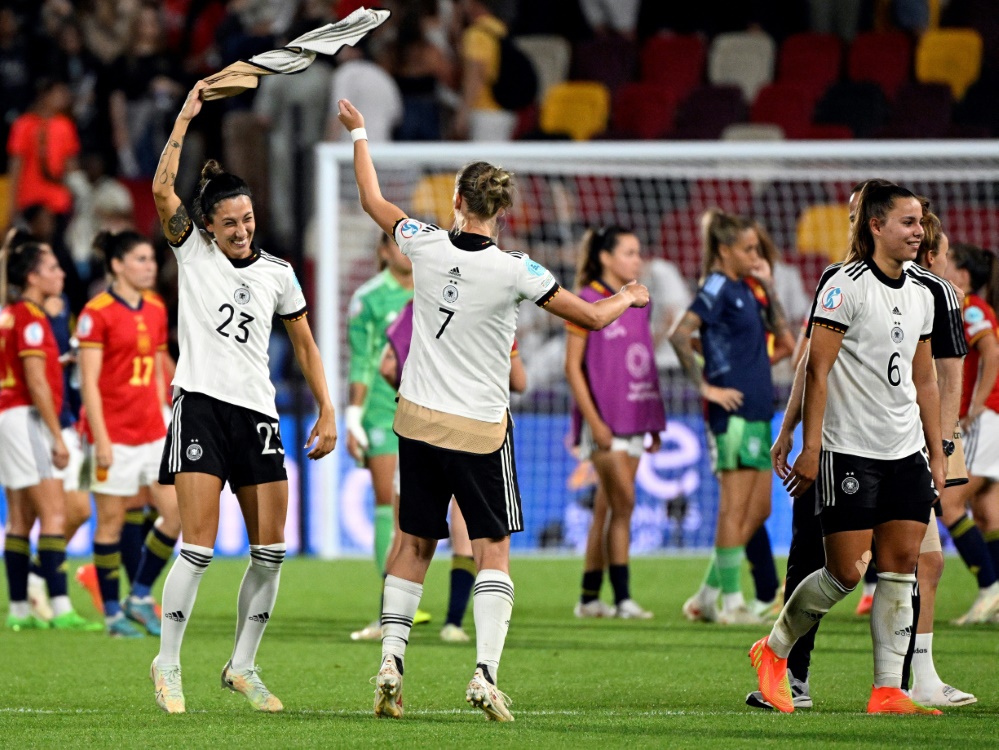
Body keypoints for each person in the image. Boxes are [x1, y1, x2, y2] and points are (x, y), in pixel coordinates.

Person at [337, 97, 649, 722]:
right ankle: (484, 672)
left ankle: (392, 661)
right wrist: (627, 296)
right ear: (502, 211)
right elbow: (587, 317)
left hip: (417, 421)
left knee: (412, 543)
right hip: (480, 430)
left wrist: (362, 131)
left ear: (456, 201)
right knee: (492, 549)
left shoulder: (422, 244)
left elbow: (373, 200)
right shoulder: (517, 271)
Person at [148, 80, 336, 714]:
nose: (242, 230)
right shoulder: (192, 251)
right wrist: (185, 116)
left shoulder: (279, 274)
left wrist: (327, 409)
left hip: (258, 413)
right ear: (207, 226)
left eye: (248, 219)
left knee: (271, 551)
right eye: (229, 222)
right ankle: (167, 663)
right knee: (198, 546)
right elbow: (159, 190)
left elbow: (306, 346)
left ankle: (242, 667)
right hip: (200, 404)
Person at [751, 185, 975, 711]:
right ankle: (774, 650)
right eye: (907, 222)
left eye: (920, 222)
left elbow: (925, 379)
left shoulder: (925, 290)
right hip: (848, 449)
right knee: (846, 572)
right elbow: (816, 367)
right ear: (875, 226)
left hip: (905, 453)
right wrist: (809, 445)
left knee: (900, 569)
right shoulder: (841, 285)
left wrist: (937, 455)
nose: (920, 231)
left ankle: (887, 690)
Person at [381, 298, 529, 642]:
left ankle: (389, 641)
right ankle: (455, 625)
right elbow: (519, 381)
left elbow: (388, 367)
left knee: (409, 541)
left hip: (418, 423)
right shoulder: (495, 305)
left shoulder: (418, 302)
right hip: (473, 428)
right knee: (476, 534)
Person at [670, 209, 789, 625]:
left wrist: (770, 286)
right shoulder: (718, 285)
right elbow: (679, 334)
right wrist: (707, 388)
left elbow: (786, 340)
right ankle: (733, 602)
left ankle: (705, 596)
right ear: (724, 250)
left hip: (758, 408)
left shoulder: (746, 287)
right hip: (732, 414)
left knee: (758, 511)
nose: (756, 255)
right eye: (748, 248)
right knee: (733, 508)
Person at [76, 229, 179, 638]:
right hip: (110, 434)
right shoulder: (95, 312)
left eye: (151, 259)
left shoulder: (155, 308)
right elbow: (89, 381)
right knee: (111, 524)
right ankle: (114, 614)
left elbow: (156, 367)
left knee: (177, 514)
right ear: (117, 265)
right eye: (139, 259)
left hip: (152, 430)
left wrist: (169, 413)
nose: (149, 266)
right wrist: (99, 438)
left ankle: (139, 595)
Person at [0, 230, 99, 632]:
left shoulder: (11, 314)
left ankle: (20, 610)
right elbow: (36, 380)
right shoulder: (31, 318)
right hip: (31, 419)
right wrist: (57, 436)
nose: (60, 274)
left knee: (21, 518)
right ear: (33, 277)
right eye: (53, 268)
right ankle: (60, 608)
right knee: (55, 514)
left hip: (13, 415)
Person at [566, 225, 664, 620]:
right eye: (628, 252)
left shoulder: (640, 301)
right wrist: (593, 423)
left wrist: (653, 419)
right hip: (604, 423)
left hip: (636, 418)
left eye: (638, 252)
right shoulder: (585, 300)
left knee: (608, 510)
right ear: (605, 257)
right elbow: (572, 368)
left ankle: (590, 597)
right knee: (624, 504)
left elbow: (644, 364)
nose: (636, 260)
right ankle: (623, 598)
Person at [345, 231, 420, 642]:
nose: (405, 254)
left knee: (414, 510)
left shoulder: (435, 288)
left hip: (426, 408)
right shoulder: (369, 298)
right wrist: (353, 417)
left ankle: (404, 597)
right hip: (380, 410)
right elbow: (361, 361)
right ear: (384, 251)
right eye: (397, 245)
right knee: (388, 503)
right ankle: (388, 603)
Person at [942, 242, 999, 625]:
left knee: (948, 502)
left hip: (986, 418)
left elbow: (992, 352)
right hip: (989, 416)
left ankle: (989, 587)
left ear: (962, 274)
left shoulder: (972, 307)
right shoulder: (960, 308)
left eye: (946, 262)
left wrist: (977, 404)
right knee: (988, 512)